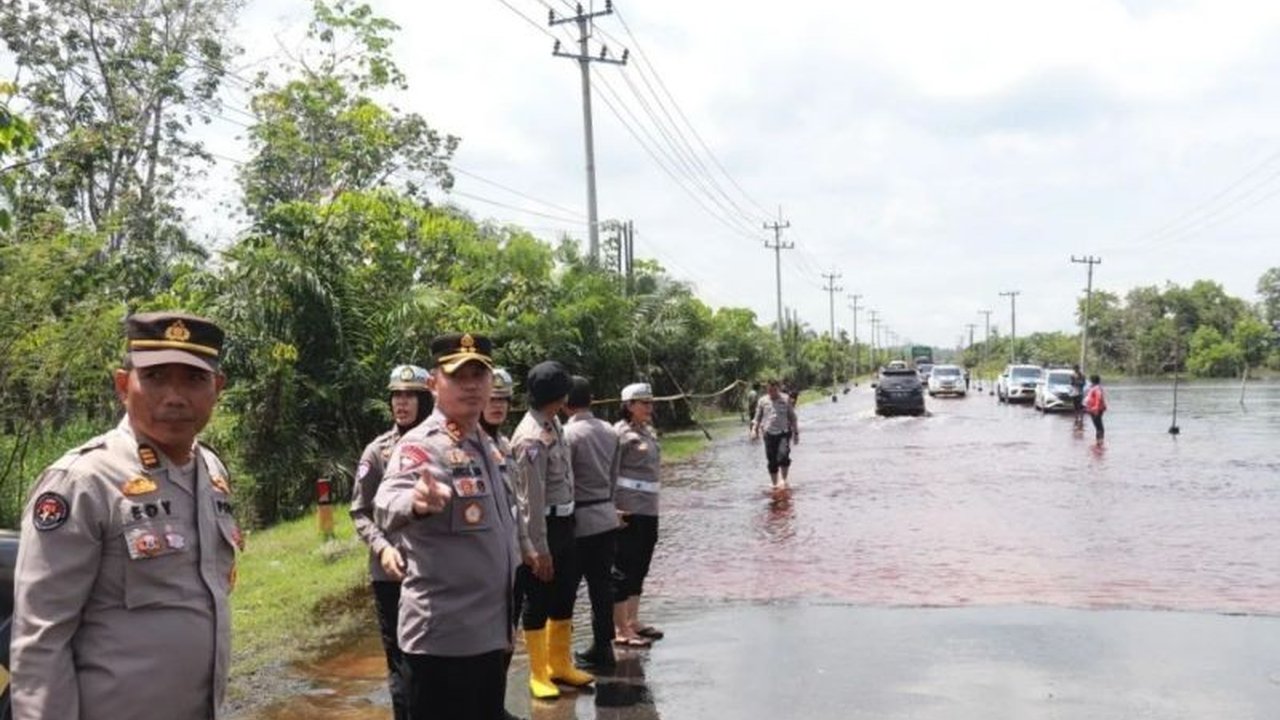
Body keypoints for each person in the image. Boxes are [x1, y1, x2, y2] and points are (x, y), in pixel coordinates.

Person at [11, 311, 240, 720]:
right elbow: (41, 640)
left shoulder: (212, 472)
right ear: (122, 385)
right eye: (154, 378)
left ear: (217, 388)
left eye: (193, 379)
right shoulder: (83, 481)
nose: (174, 396)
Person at [374, 333, 520, 720]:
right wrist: (417, 504)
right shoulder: (422, 445)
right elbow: (385, 505)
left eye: (480, 374)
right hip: (442, 645)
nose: (472, 385)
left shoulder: (485, 444)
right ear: (433, 384)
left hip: (488, 635)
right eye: (459, 376)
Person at [349, 363, 433, 720]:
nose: (401, 403)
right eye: (396, 395)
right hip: (392, 574)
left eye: (410, 395)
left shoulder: (441, 444)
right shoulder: (378, 452)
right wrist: (382, 547)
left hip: (433, 571)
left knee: (434, 660)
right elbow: (359, 511)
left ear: (424, 400)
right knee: (401, 663)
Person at [510, 361, 595, 699]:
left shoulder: (553, 422)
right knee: (538, 598)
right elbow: (530, 500)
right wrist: (538, 548)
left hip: (565, 523)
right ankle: (538, 672)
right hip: (543, 528)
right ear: (557, 396)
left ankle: (560, 664)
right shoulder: (530, 438)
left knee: (565, 593)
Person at [479, 367, 528, 720]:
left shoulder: (505, 444)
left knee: (508, 634)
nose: (497, 406)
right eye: (491, 399)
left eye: (503, 400)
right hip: (482, 562)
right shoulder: (469, 446)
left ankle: (494, 704)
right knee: (483, 640)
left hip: (511, 559)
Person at [562, 376, 621, 670]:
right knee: (602, 587)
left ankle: (561, 653)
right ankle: (604, 646)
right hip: (605, 515)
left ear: (565, 403)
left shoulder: (567, 435)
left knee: (567, 589)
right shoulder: (610, 431)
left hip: (577, 520)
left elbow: (565, 482)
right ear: (592, 399)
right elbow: (614, 475)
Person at [612, 382, 664, 648]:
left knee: (640, 565)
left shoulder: (648, 432)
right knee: (624, 566)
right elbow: (609, 473)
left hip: (648, 510)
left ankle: (633, 620)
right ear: (629, 406)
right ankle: (620, 627)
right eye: (644, 403)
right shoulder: (618, 434)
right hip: (627, 510)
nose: (649, 408)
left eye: (650, 403)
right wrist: (612, 508)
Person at [749, 379, 800, 491]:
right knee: (772, 461)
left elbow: (793, 418)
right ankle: (775, 484)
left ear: (778, 388)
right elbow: (757, 417)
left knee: (783, 456)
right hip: (768, 434)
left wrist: (796, 433)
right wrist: (754, 430)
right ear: (767, 389)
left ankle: (784, 480)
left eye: (774, 390)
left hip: (783, 432)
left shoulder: (786, 399)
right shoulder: (762, 401)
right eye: (770, 390)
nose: (772, 392)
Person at [1083, 373, 1107, 444]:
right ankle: (1099, 441)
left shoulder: (1097, 388)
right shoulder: (1094, 387)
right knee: (1097, 426)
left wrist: (1096, 408)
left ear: (1093, 380)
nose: (1090, 381)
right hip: (1094, 409)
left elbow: (1099, 398)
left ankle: (1100, 442)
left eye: (1090, 380)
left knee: (1098, 426)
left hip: (1096, 409)